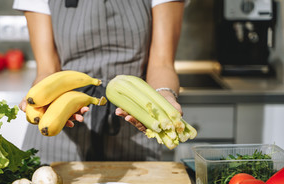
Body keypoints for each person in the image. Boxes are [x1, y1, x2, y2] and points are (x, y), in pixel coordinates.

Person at [13, 0, 186, 163]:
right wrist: (39, 99)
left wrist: (164, 95)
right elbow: (48, 70)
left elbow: (162, 63)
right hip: (63, 123)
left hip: (136, 118)